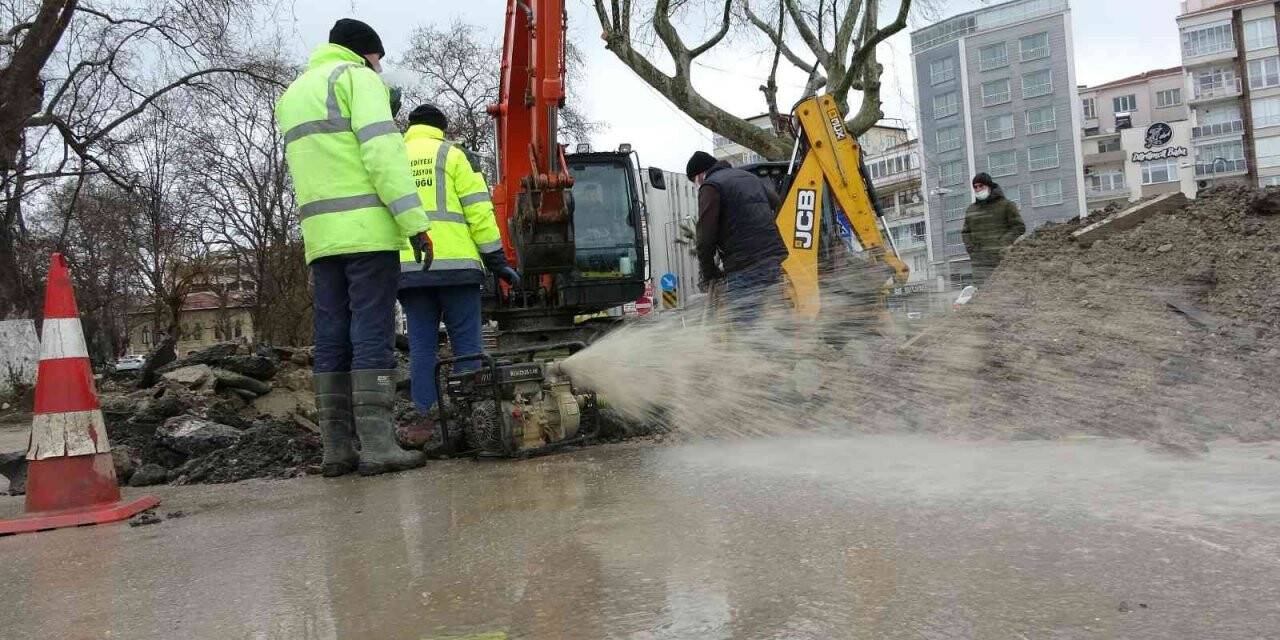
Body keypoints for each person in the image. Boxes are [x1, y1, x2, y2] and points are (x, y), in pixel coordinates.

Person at [276, 18, 431, 477]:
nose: (381, 70)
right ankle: (380, 445)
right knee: (371, 332)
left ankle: (336, 450)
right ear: (365, 52)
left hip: (322, 239)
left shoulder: (294, 93)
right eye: (378, 60)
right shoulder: (357, 79)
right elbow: (383, 157)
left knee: (331, 336)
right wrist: (415, 224)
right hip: (367, 232)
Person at [396, 103, 520, 448]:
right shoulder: (452, 156)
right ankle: (474, 421)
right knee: (468, 347)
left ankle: (426, 422)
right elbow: (480, 212)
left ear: (411, 126)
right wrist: (497, 261)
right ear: (442, 128)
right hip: (458, 271)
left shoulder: (391, 156)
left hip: (411, 272)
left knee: (421, 349)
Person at [685, 151, 788, 329]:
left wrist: (710, 273)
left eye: (695, 181)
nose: (697, 185)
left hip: (744, 263)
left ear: (701, 174)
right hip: (772, 259)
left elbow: (705, 237)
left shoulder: (711, 186)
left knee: (744, 327)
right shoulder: (750, 178)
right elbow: (775, 201)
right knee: (774, 317)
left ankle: (756, 356)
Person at [961, 173, 1026, 288]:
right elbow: (966, 232)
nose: (978, 189)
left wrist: (1003, 242)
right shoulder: (971, 210)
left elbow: (1019, 226)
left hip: (1001, 259)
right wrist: (972, 249)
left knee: (1003, 292)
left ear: (989, 186)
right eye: (975, 187)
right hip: (980, 264)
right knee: (983, 296)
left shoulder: (1006, 205)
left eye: (981, 186)